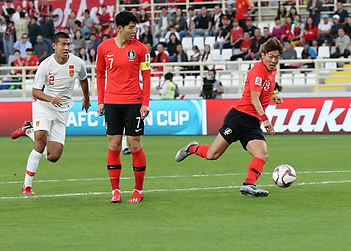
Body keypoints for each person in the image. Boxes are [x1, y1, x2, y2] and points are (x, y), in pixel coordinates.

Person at [174, 38, 284, 197]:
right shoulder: (258, 71)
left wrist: (272, 97)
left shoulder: (272, 71)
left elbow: (261, 92)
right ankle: (191, 148)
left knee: (262, 154)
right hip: (239, 118)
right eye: (271, 56)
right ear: (263, 55)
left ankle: (249, 185)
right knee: (213, 155)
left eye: (277, 57)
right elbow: (254, 98)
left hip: (252, 122)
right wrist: (266, 119)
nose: (274, 60)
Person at [10, 32, 90, 195]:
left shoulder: (78, 63)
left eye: (68, 44)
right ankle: (27, 186)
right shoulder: (46, 65)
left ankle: (28, 130)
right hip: (44, 107)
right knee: (40, 143)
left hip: (62, 111)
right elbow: (35, 91)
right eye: (63, 44)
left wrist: (86, 98)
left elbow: (83, 80)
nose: (66, 47)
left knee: (53, 156)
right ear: (54, 46)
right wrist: (50, 98)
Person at [97, 10, 151, 203]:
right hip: (112, 102)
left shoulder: (141, 49)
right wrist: (101, 100)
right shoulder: (103, 48)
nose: (134, 30)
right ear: (120, 29)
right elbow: (100, 74)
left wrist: (145, 103)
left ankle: (138, 190)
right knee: (114, 145)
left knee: (135, 145)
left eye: (135, 27)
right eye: (131, 27)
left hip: (133, 102)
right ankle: (116, 191)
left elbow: (146, 76)